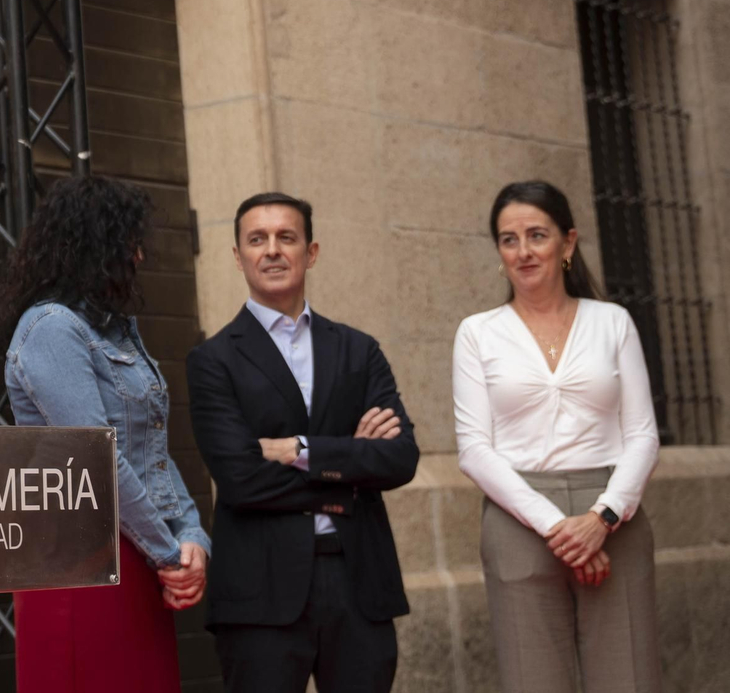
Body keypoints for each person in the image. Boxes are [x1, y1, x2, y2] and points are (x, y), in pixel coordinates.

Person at [187, 192, 418, 693]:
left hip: (359, 582)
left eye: (285, 237)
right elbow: (241, 479)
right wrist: (348, 474)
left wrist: (296, 450)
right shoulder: (212, 361)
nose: (272, 250)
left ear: (310, 252)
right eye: (257, 239)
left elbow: (400, 457)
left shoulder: (359, 349)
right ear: (237, 255)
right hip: (259, 594)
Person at [0, 176, 212, 692]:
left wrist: (191, 539)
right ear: (95, 248)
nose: (138, 256)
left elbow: (153, 450)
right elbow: (99, 459)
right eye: (128, 243)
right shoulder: (51, 329)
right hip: (83, 565)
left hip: (139, 556)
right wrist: (167, 555)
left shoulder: (119, 329)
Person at [453, 180, 661, 693]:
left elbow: (642, 435)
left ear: (567, 244)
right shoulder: (478, 332)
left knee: (628, 679)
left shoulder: (613, 322)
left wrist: (601, 517)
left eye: (536, 235)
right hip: (519, 520)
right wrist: (559, 528)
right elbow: (475, 450)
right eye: (508, 239)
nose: (523, 251)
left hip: (614, 514)